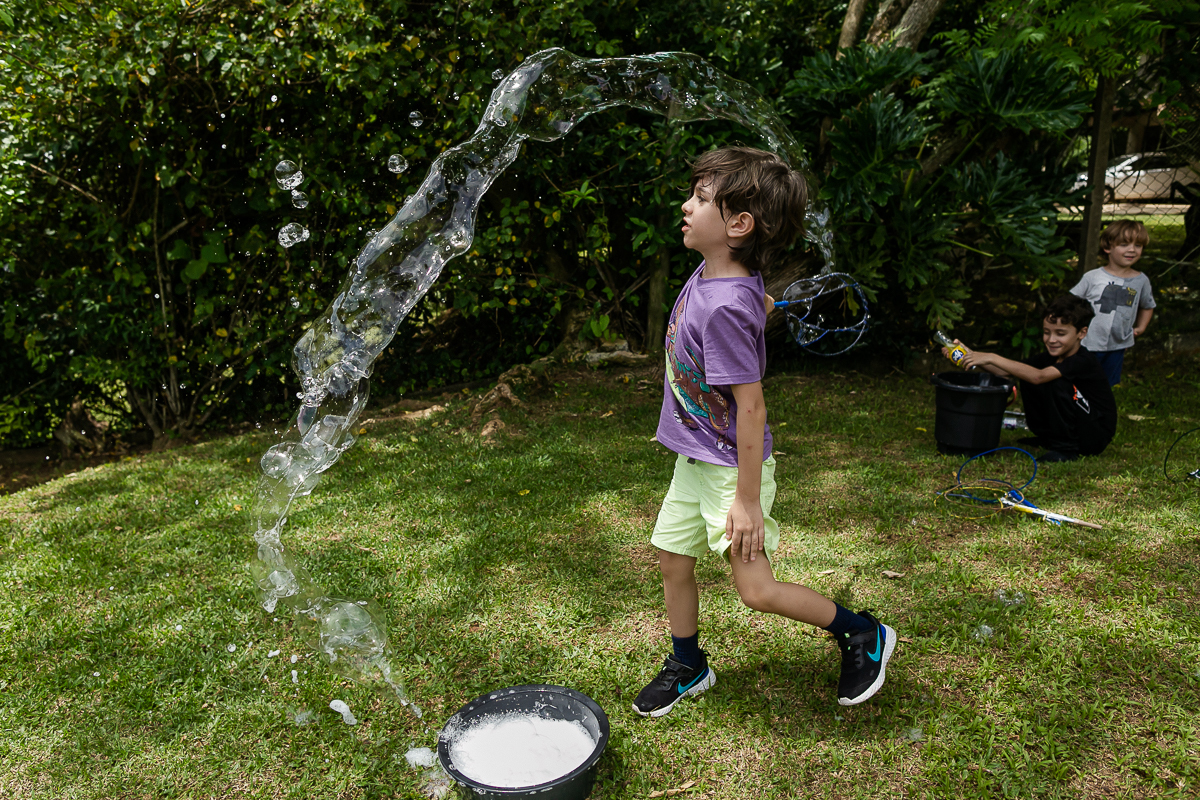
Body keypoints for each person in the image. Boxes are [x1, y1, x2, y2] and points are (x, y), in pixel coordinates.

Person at [632, 147, 896, 718]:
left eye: (700, 199)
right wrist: (762, 301)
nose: (686, 205)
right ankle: (688, 664)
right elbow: (750, 298)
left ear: (738, 224)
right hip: (695, 460)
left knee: (756, 591)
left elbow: (751, 408)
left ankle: (862, 632)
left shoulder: (725, 303)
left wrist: (747, 502)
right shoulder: (723, 277)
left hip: (730, 469)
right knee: (674, 559)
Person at [946, 294, 1117, 463]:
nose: (1051, 340)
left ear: (1081, 333)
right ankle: (1048, 437)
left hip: (1095, 434)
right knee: (1026, 372)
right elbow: (1006, 372)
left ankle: (1067, 448)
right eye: (1047, 332)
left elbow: (1038, 377)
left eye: (1060, 333)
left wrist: (991, 356)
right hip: (1079, 426)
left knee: (1055, 381)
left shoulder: (1082, 360)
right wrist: (969, 356)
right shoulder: (1049, 358)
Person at [1069, 220, 1156, 387]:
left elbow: (1147, 305)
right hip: (1088, 343)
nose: (1132, 249)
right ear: (1108, 247)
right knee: (1080, 382)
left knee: (1105, 384)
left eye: (1138, 245)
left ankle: (1099, 410)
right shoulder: (1093, 277)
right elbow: (1071, 302)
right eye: (1124, 244)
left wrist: (1141, 327)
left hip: (1117, 345)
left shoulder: (1141, 280)